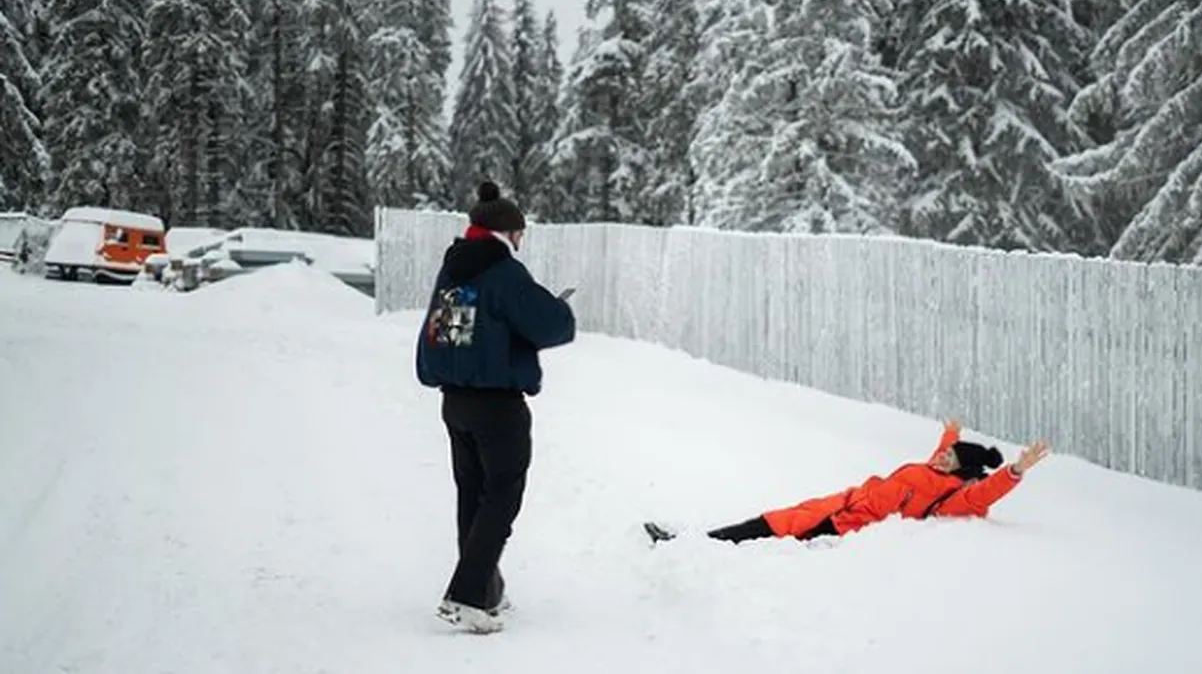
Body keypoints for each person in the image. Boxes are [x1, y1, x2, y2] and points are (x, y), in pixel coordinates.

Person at [416, 180, 577, 634]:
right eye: (521, 234)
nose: (522, 242)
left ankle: (486, 589)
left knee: (474, 496)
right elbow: (548, 326)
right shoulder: (505, 272)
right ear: (508, 232)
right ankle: (466, 595)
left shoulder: (454, 271)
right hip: (498, 407)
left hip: (455, 403)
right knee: (502, 497)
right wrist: (558, 310)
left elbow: (454, 334)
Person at [645, 420, 1050, 545]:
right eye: (945, 453)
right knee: (773, 520)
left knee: (775, 533)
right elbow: (945, 455)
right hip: (842, 501)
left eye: (950, 457)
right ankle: (691, 542)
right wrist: (951, 435)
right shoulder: (938, 469)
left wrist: (1016, 470)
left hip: (846, 523)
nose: (942, 456)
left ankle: (687, 546)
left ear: (961, 472)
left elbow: (983, 493)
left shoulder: (951, 496)